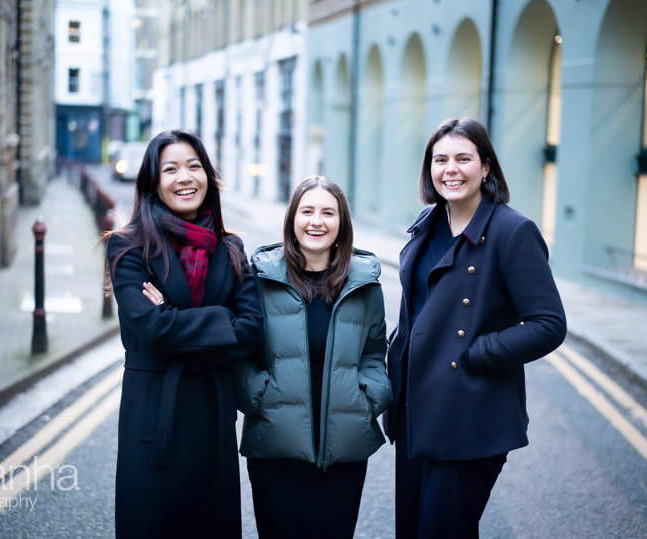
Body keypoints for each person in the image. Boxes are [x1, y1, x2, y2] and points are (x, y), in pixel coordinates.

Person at [385, 118, 567, 538]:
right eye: (440, 159)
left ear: (486, 167)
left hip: (469, 415)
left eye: (463, 158)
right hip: (415, 410)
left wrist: (477, 353)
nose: (451, 169)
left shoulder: (512, 231)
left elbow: (548, 324)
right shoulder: (426, 223)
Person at [106, 129, 262, 538]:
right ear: (153, 182)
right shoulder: (128, 248)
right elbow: (150, 329)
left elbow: (250, 329)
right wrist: (219, 320)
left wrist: (172, 317)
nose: (185, 177)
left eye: (194, 166)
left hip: (211, 416)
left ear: (208, 176)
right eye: (170, 168)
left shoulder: (231, 248)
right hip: (153, 418)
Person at [236, 176, 393, 539]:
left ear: (341, 224)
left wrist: (369, 398)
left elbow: (374, 349)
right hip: (276, 445)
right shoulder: (260, 278)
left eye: (328, 212)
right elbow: (242, 351)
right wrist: (258, 397)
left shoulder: (364, 283)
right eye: (307, 211)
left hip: (345, 449)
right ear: (292, 219)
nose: (316, 221)